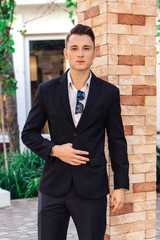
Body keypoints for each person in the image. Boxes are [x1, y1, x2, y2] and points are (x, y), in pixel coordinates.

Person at [21, 24, 129, 240]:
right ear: (66, 52)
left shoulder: (109, 93)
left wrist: (121, 185)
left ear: (95, 52)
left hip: (92, 188)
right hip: (53, 187)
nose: (80, 53)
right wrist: (54, 150)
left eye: (86, 48)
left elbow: (117, 140)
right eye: (75, 48)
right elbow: (28, 133)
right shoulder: (47, 90)